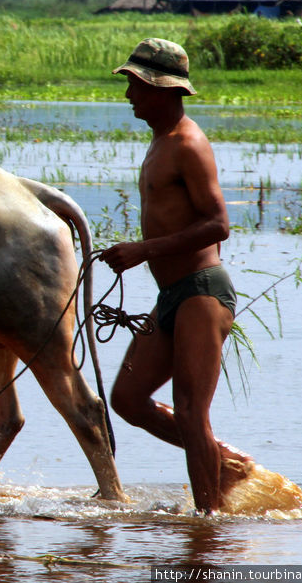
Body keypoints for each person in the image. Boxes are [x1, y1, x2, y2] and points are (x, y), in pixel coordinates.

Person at [101, 38, 252, 514]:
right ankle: (227, 464)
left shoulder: (188, 143)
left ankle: (207, 524)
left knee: (191, 413)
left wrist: (142, 250)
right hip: (172, 296)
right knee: (126, 398)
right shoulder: (159, 142)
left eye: (135, 86)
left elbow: (218, 224)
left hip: (202, 293)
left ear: (161, 89)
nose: (129, 96)